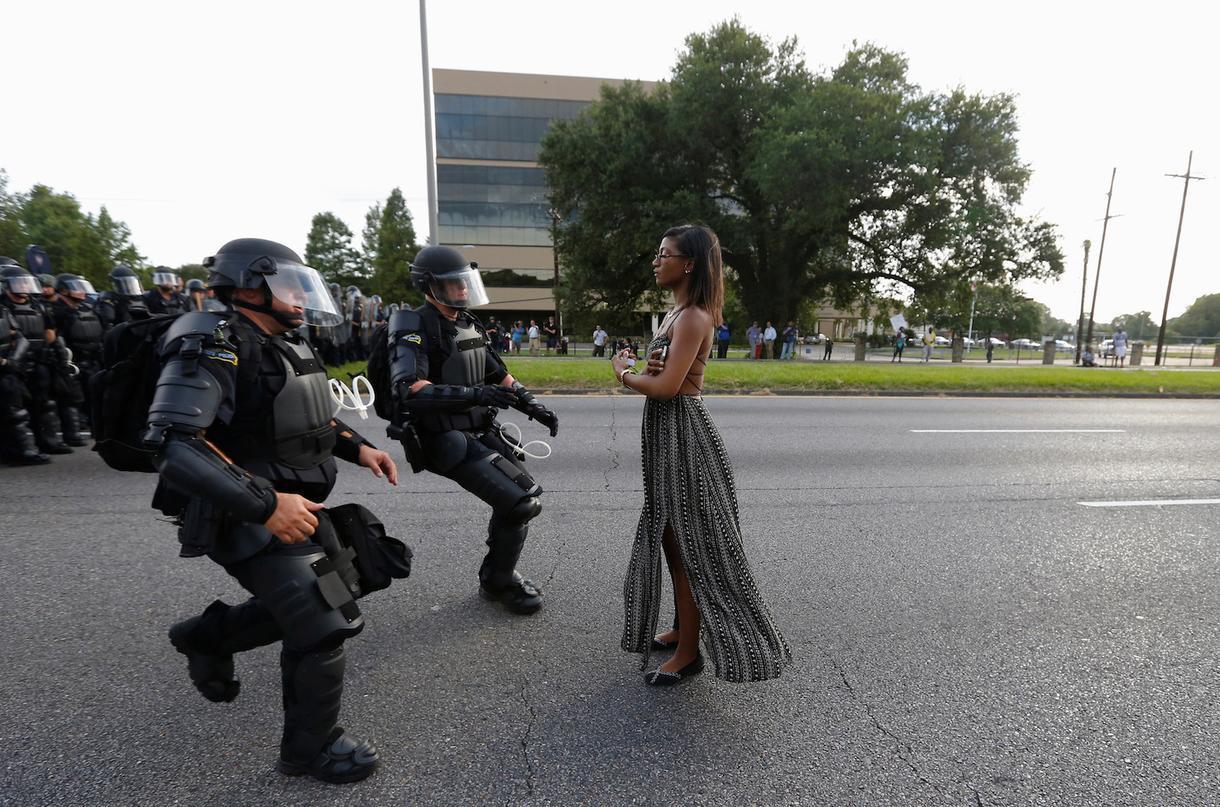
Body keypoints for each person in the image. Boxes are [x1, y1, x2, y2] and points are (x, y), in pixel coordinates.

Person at [151, 238, 398, 783]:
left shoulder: (286, 342)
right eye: (289, 285)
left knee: (343, 586)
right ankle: (311, 750)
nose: (301, 297)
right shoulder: (212, 339)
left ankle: (207, 637)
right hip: (236, 510)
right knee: (325, 624)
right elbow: (175, 443)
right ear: (247, 288)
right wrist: (266, 506)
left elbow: (309, 413)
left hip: (291, 503)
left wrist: (359, 447)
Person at [611, 224, 790, 686]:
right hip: (666, 434)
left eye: (664, 254)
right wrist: (647, 368)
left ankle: (689, 653)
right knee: (673, 541)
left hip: (684, 437)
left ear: (688, 264)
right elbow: (663, 375)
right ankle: (681, 628)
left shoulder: (693, 317)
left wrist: (623, 374)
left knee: (690, 545)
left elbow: (667, 389)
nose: (656, 261)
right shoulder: (674, 314)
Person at [382, 246, 558, 614]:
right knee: (519, 502)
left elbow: (498, 372)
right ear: (429, 285)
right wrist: (476, 394)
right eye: (454, 283)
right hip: (444, 437)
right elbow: (409, 387)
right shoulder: (413, 324)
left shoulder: (468, 323)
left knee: (523, 501)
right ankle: (499, 581)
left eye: (465, 282)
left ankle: (497, 576)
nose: (462, 289)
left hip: (480, 428)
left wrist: (532, 405)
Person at [0, 261, 73, 454]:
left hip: (38, 361)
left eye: (25, 282)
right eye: (19, 283)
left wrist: (56, 356)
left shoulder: (38, 306)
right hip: (12, 365)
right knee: (14, 409)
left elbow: (50, 332)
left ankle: (49, 442)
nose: (23, 287)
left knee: (44, 404)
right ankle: (20, 449)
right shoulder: (3, 306)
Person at [0, 258, 49, 465]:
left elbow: (19, 337)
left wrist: (10, 361)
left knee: (17, 410)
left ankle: (23, 451)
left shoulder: (3, 311)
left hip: (9, 369)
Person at [96, 265, 150, 330]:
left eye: (131, 283)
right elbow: (108, 326)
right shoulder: (109, 299)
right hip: (119, 333)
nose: (130, 287)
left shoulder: (139, 299)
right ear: (116, 284)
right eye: (126, 283)